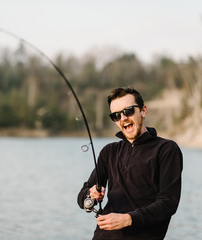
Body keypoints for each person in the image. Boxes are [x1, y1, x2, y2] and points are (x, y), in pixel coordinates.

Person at [77, 87, 183, 240]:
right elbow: (83, 195)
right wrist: (90, 196)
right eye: (116, 115)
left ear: (143, 111)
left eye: (128, 111)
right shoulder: (109, 152)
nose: (123, 118)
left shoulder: (166, 150)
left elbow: (168, 203)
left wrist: (128, 219)